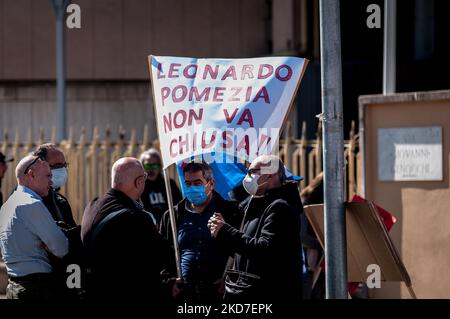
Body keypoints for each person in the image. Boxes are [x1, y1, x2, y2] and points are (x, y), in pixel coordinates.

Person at [208, 155, 303, 311]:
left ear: (269, 174)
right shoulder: (256, 204)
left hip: (269, 295)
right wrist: (220, 232)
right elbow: (243, 249)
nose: (247, 177)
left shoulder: (280, 207)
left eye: (252, 172)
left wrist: (226, 231)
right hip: (249, 294)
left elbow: (265, 249)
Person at [81, 157, 176, 303]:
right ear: (139, 182)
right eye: (144, 177)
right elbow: (164, 255)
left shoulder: (92, 205)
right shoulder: (136, 218)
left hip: (95, 293)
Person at [160, 161, 241, 303]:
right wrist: (169, 281)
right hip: (184, 295)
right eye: (188, 184)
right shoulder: (172, 216)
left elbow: (242, 249)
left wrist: (231, 278)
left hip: (218, 295)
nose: (192, 188)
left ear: (211, 183)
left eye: (197, 183)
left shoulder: (231, 212)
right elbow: (161, 253)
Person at [0, 155, 69, 300]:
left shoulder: (7, 205)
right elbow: (62, 248)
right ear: (31, 174)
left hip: (13, 285)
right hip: (37, 288)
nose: (51, 182)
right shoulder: (31, 203)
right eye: (48, 176)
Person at [33, 143, 83, 299]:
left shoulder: (59, 200)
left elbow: (72, 239)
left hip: (65, 275)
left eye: (64, 165)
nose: (61, 170)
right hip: (41, 281)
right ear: (40, 166)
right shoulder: (29, 200)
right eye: (55, 166)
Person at [139, 148, 182, 226]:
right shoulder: (139, 186)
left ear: (160, 167)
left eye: (155, 166)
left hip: (169, 226)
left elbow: (179, 206)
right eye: (148, 166)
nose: (151, 169)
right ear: (142, 167)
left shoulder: (169, 184)